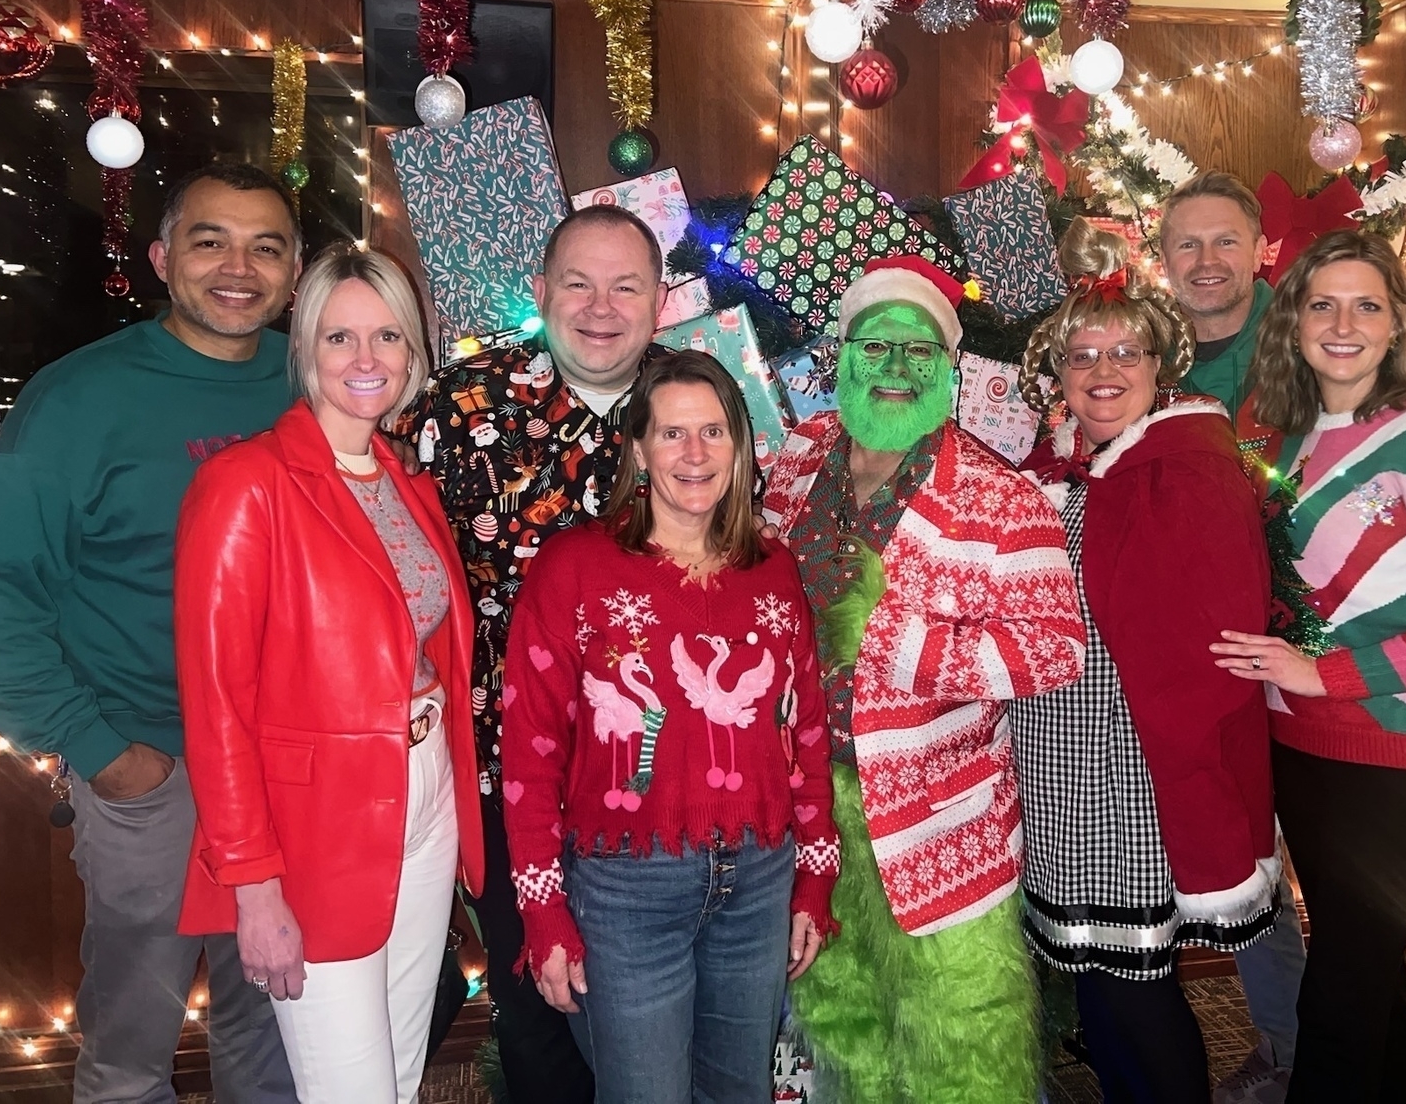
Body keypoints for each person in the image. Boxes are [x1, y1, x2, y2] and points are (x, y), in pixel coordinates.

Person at [0, 163, 300, 1104]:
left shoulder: (319, 385)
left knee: (272, 1039)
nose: (238, 267)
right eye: (209, 239)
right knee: (130, 1057)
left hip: (288, 779)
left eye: (267, 246)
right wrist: (107, 756)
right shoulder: (81, 399)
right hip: (156, 775)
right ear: (161, 256)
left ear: (296, 270)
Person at [1156, 172, 1406, 1104]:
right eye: (1188, 244)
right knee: (1350, 945)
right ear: (1163, 255)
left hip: (1374, 714)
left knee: (1349, 961)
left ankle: (1289, 1047)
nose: (1208, 262)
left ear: (1262, 258)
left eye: (1228, 243)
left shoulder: (1375, 398)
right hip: (1269, 694)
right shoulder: (1156, 360)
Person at [1211, 230, 1406, 1102]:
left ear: (1398, 325)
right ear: (1294, 323)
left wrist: (1330, 675)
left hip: (1399, 754)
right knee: (1367, 972)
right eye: (1322, 303)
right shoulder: (1278, 440)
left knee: (1342, 996)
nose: (1342, 322)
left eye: (1367, 305)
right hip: (1300, 748)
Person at [762, 255, 1086, 1104]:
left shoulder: (999, 496)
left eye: (919, 352)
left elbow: (1056, 650)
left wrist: (897, 640)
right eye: (877, 348)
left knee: (961, 1031)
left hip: (941, 821)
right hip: (805, 804)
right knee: (841, 1011)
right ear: (842, 357)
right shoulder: (798, 456)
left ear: (949, 367)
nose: (897, 370)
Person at [173, 243, 485, 1103]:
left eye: (386, 337)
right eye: (340, 337)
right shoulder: (245, 485)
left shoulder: (404, 482)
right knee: (349, 1090)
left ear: (413, 354)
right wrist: (254, 884)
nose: (365, 360)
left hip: (425, 800)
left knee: (396, 1070)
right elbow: (217, 707)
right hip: (315, 823)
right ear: (305, 347)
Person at [501, 350, 837, 1103]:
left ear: (740, 447)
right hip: (627, 889)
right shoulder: (575, 569)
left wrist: (815, 876)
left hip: (757, 879)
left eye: (714, 432)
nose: (695, 454)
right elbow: (529, 753)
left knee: (737, 1093)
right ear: (639, 450)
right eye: (673, 433)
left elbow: (805, 733)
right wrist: (543, 909)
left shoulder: (774, 570)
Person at [400, 205, 675, 1101]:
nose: (602, 307)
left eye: (626, 286)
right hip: (508, 766)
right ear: (541, 293)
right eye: (579, 284)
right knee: (536, 1013)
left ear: (659, 301)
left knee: (663, 1013)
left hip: (672, 767)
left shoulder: (703, 406)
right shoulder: (459, 405)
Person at [1013, 219, 1277, 1103]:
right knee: (1100, 985)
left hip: (1127, 774)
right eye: (1082, 357)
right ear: (1059, 378)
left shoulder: (1184, 471)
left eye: (1125, 352)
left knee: (1135, 990)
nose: (1103, 372)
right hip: (1060, 769)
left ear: (1163, 366)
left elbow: (1200, 653)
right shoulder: (1077, 473)